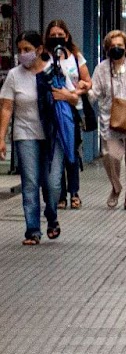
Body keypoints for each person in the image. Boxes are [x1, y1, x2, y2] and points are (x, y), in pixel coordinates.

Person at [0, 31, 67, 242]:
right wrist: (1, 137)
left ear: (39, 50)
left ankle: (52, 215)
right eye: (20, 50)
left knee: (53, 183)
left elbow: (73, 98)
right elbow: (7, 108)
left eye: (27, 50)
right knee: (30, 182)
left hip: (52, 135)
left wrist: (66, 94)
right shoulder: (13, 75)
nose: (23, 54)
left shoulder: (53, 71)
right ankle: (33, 230)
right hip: (25, 133)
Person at [91, 29, 126, 210]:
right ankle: (116, 188)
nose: (117, 49)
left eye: (120, 46)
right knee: (111, 156)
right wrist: (80, 94)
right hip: (110, 120)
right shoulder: (101, 68)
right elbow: (93, 93)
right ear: (107, 48)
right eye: (113, 46)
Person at [44, 20, 91, 209]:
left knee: (71, 150)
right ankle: (61, 194)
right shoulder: (44, 57)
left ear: (67, 35)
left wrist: (74, 93)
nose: (57, 38)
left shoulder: (76, 56)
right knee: (56, 153)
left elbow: (87, 81)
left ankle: (74, 192)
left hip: (73, 109)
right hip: (52, 110)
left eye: (60, 34)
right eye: (53, 35)